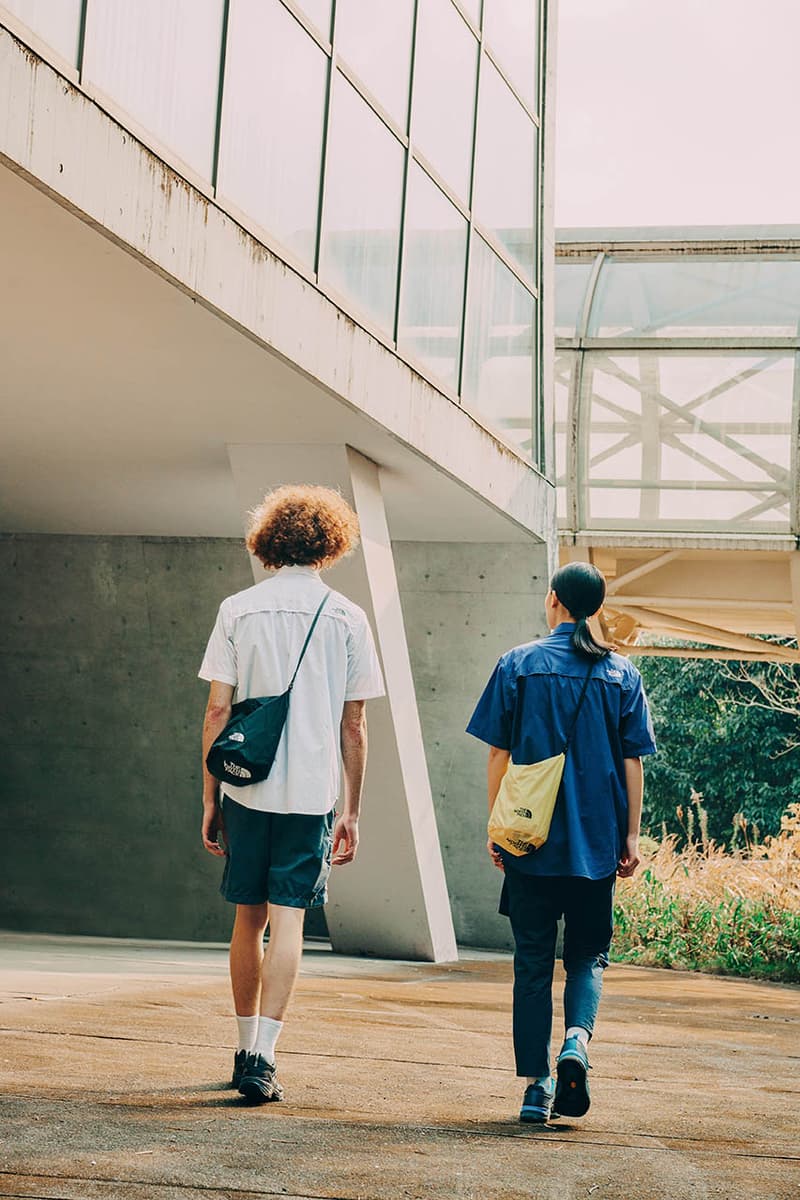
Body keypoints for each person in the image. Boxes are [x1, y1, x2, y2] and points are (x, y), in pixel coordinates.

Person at [199, 484, 384, 1104]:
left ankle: (242, 1042)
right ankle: (264, 1058)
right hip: (310, 793)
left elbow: (217, 713)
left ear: (270, 541)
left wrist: (209, 798)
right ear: (330, 544)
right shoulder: (348, 617)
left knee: (246, 920)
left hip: (245, 792)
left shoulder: (237, 609)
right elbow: (353, 725)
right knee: (290, 921)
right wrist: (352, 809)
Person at [466, 561, 656, 1124]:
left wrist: (498, 826)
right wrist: (630, 835)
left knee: (531, 963)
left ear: (553, 600)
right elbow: (632, 762)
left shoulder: (517, 665)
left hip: (531, 844)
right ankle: (577, 1042)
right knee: (588, 956)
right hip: (595, 846)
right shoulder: (622, 675)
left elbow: (497, 755)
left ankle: (536, 1087)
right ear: (596, 609)